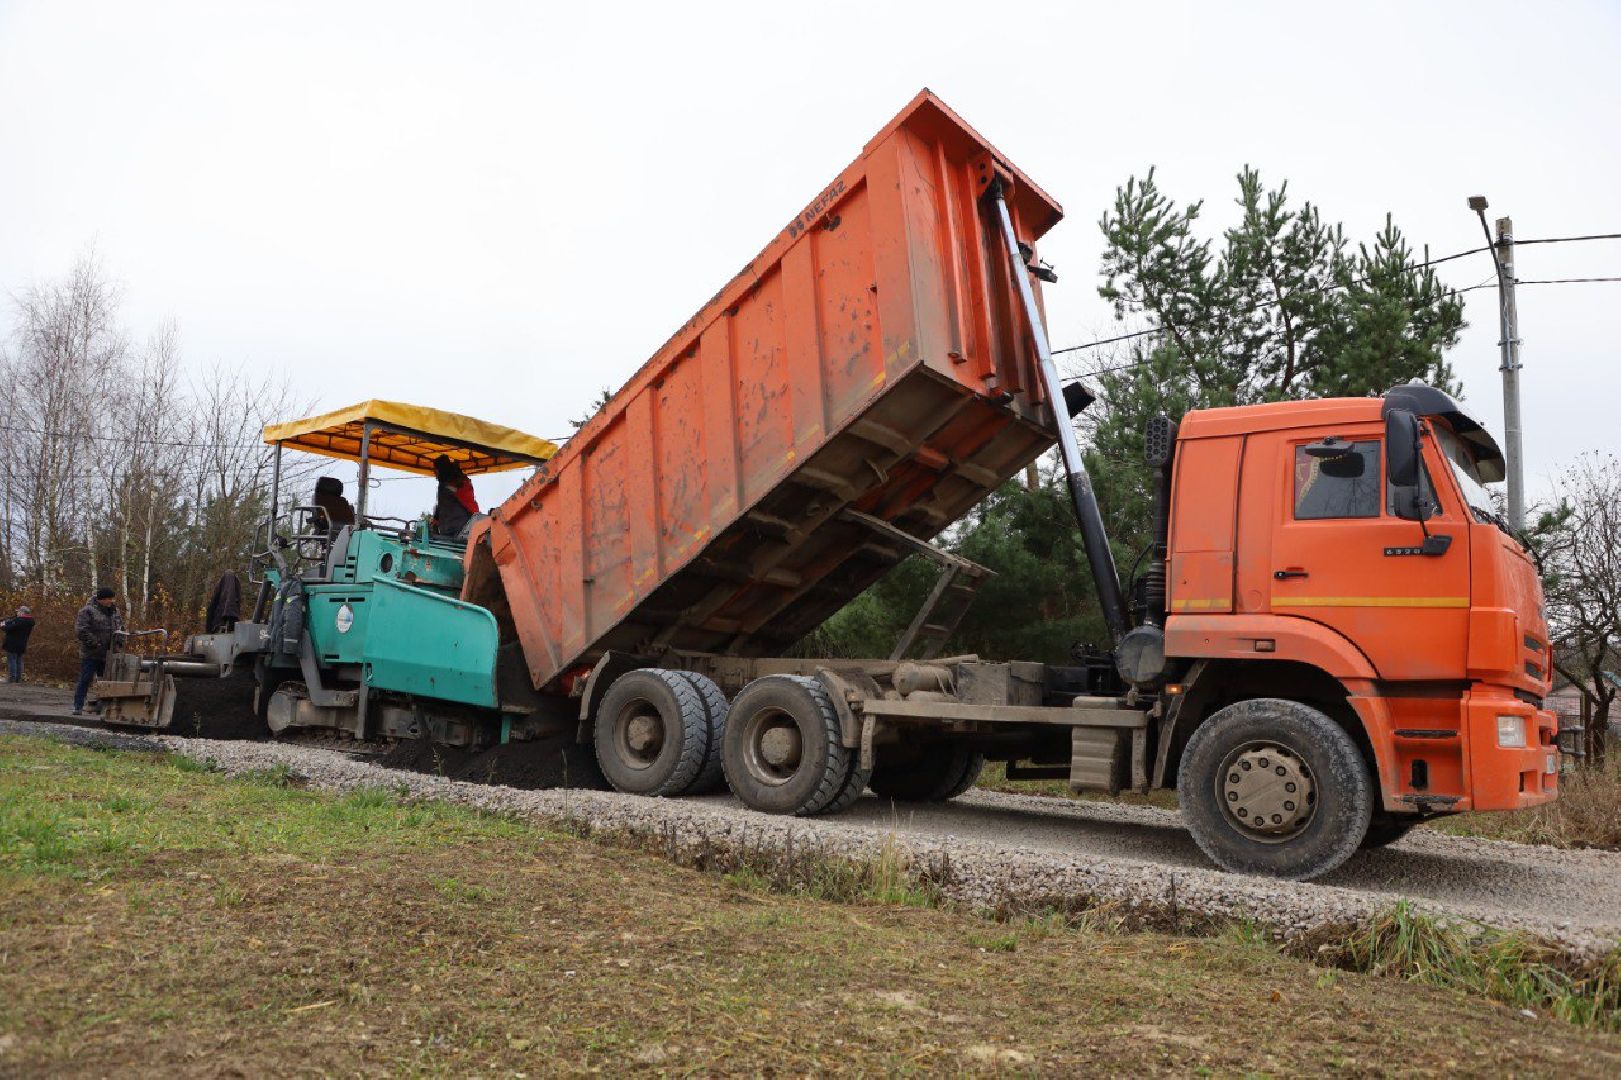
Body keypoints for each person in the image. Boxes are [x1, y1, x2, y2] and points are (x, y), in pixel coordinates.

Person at [73, 587, 122, 715]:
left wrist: (119, 641)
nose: (110, 601)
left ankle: (102, 706)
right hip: (91, 653)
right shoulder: (87, 611)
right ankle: (78, 706)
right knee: (85, 678)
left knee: (105, 680)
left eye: (111, 598)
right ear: (101, 599)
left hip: (109, 653)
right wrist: (95, 642)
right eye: (108, 599)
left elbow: (120, 627)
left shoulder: (115, 611)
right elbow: (81, 630)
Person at [432, 455, 479, 539]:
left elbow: (469, 503)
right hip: (446, 528)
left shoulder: (461, 481)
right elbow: (441, 505)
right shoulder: (442, 485)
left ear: (441, 469)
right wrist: (435, 521)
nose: (435, 473)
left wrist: (476, 520)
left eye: (436, 470)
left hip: (461, 528)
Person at [2, 605, 35, 683]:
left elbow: (8, 629)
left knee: (12, 661)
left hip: (12, 644)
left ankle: (12, 678)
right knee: (19, 661)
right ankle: (18, 679)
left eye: (19, 611)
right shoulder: (30, 621)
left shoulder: (19, 621)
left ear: (22, 612)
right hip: (22, 643)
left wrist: (2, 625)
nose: (17, 613)